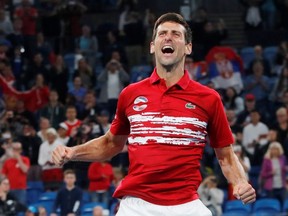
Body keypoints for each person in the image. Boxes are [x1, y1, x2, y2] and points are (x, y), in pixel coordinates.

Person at [52, 12, 256, 216]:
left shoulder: (209, 98)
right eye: (162, 33)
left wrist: (240, 182)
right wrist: (73, 152)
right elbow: (111, 144)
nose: (168, 37)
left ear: (188, 47)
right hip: (136, 206)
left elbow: (227, 157)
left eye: (176, 34)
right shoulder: (130, 94)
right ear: (152, 46)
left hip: (186, 205)